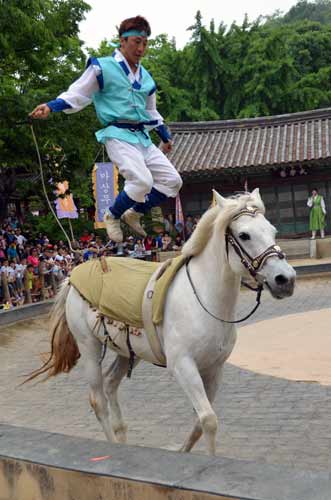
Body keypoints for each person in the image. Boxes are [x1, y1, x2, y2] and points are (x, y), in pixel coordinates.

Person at [30, 15, 182, 243]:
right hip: (117, 135)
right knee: (142, 181)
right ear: (122, 40)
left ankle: (135, 212)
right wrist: (51, 107)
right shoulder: (103, 67)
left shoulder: (146, 77)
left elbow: (151, 112)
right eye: (136, 42)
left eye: (144, 43)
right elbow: (78, 93)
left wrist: (164, 136)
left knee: (173, 180)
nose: (141, 48)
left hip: (141, 137)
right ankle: (112, 214)